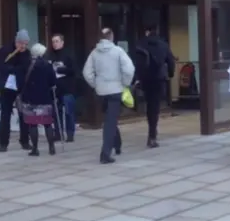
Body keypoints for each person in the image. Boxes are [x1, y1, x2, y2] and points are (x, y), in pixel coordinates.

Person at [83, 28, 135, 164]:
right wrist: (125, 83)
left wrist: (95, 84)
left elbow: (86, 72)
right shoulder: (118, 51)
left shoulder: (94, 53)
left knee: (109, 118)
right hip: (116, 90)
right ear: (111, 37)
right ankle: (105, 153)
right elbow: (129, 69)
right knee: (110, 122)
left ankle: (117, 144)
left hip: (101, 92)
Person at [134, 23, 175, 148]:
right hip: (159, 79)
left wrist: (136, 78)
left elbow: (136, 62)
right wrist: (170, 74)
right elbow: (171, 61)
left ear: (147, 31)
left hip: (145, 79)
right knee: (155, 107)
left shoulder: (141, 44)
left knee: (149, 105)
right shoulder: (163, 44)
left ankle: (151, 129)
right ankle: (152, 134)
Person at [0, 29, 32, 152]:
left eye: (26, 44)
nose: (23, 46)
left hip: (21, 87)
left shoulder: (26, 53)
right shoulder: (5, 50)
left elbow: (27, 67)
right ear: (17, 42)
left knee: (23, 114)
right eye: (21, 43)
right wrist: (11, 69)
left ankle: (25, 141)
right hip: (7, 87)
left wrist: (19, 68)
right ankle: (3, 143)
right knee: (5, 115)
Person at [21, 43, 57, 156]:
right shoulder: (47, 65)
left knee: (32, 124)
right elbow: (53, 82)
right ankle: (51, 147)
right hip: (45, 98)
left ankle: (35, 149)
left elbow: (22, 80)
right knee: (47, 123)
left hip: (30, 98)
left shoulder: (27, 64)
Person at [46, 34, 76, 142]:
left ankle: (70, 133)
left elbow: (73, 70)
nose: (55, 43)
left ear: (62, 42)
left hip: (67, 88)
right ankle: (58, 133)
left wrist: (60, 70)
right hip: (55, 89)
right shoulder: (50, 55)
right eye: (53, 41)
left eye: (57, 41)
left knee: (69, 112)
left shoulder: (68, 55)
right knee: (56, 112)